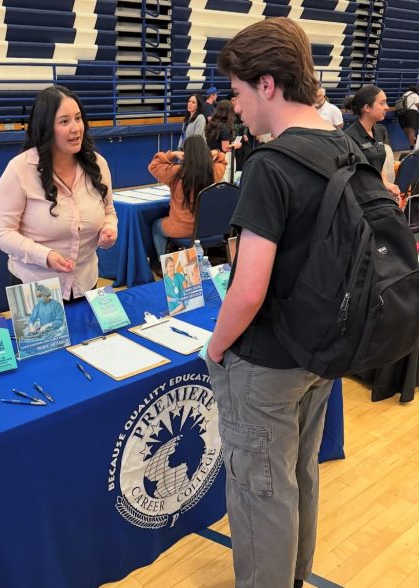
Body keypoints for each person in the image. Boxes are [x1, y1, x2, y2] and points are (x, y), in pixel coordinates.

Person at [207, 16, 354, 588]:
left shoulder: (271, 166)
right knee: (298, 475)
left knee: (260, 493)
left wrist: (216, 348)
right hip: (322, 351)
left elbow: (247, 288)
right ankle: (294, 578)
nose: (237, 108)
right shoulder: (347, 147)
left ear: (267, 84)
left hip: (268, 362)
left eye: (240, 93)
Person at [0, 85, 117, 301]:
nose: (76, 128)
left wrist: (109, 227)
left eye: (78, 118)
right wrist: (45, 256)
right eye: (64, 121)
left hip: (85, 282)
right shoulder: (20, 170)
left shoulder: (97, 164)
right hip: (36, 287)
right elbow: (2, 234)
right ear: (46, 127)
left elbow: (109, 211)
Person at [148, 135, 226, 259]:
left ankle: (164, 263)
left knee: (155, 226)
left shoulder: (175, 172)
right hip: (208, 228)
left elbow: (153, 166)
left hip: (181, 228)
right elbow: (222, 160)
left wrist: (172, 154)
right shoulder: (213, 172)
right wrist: (216, 152)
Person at [344, 85, 401, 199]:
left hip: (377, 192)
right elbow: (352, 177)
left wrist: (385, 184)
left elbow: (378, 164)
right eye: (382, 103)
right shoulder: (349, 137)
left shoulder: (380, 130)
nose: (387, 107)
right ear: (367, 107)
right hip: (361, 197)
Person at [396, 85, 419, 150]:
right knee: (412, 131)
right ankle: (412, 149)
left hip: (402, 113)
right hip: (411, 113)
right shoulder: (414, 95)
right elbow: (418, 104)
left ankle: (413, 143)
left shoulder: (404, 95)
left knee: (407, 131)